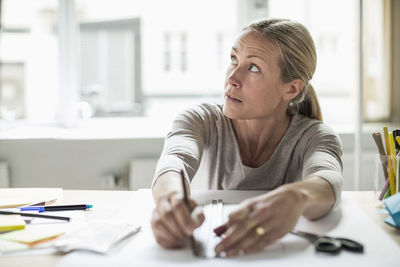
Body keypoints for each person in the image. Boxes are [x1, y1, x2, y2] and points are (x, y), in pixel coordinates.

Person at [150, 18, 342, 257]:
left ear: (291, 89)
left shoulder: (315, 136)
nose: (232, 78)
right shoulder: (200, 119)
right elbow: (174, 160)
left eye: (253, 67)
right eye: (233, 59)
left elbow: (327, 179)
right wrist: (171, 199)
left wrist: (297, 197)